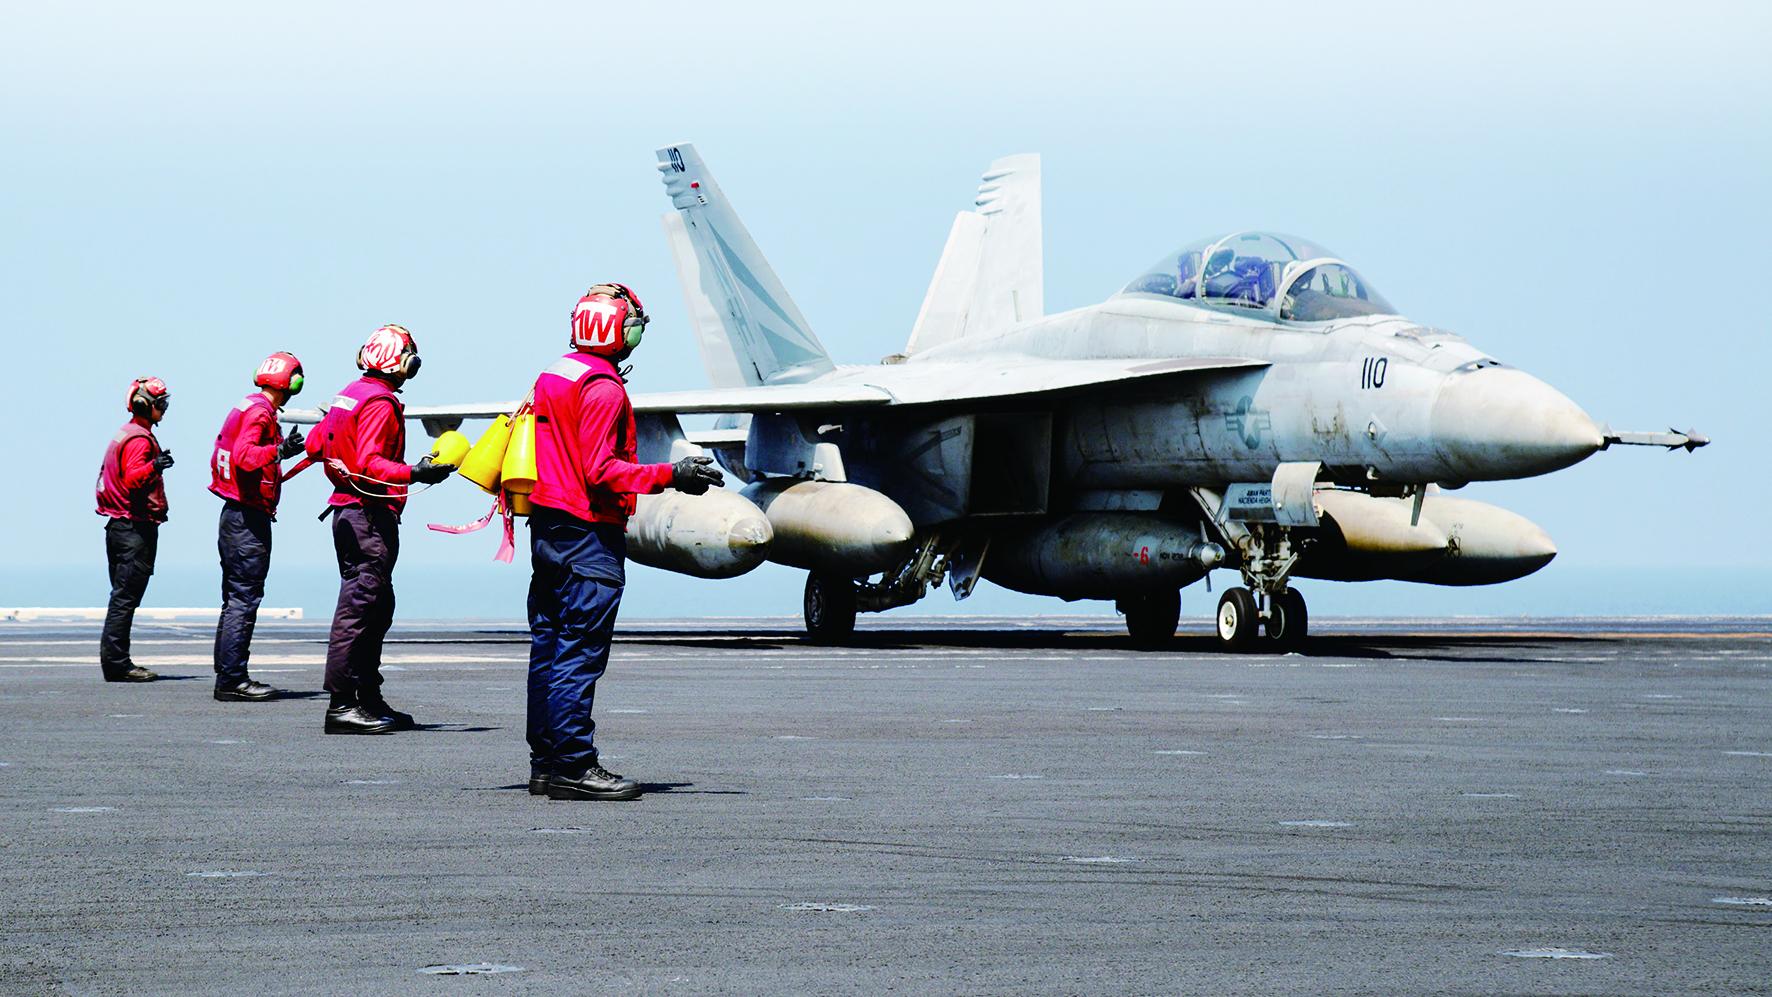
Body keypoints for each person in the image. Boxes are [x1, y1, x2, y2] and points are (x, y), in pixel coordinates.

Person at [526, 284, 724, 801]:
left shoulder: (554, 374)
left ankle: (546, 763)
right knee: (578, 651)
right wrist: (672, 474)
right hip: (587, 532)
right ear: (621, 331)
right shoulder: (604, 389)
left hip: (547, 529)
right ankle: (574, 766)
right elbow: (601, 470)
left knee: (549, 648)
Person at [314, 325, 454, 735]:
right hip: (368, 516)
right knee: (360, 610)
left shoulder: (349, 394)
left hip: (347, 513)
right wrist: (416, 472)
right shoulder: (380, 402)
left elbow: (316, 445)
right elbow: (370, 463)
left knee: (376, 608)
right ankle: (343, 705)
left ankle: (367, 698)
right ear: (405, 363)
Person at [207, 352, 308, 702]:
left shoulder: (247, 405)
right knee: (244, 598)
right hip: (247, 520)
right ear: (290, 383)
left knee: (233, 597)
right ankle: (232, 680)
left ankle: (227, 673)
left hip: (233, 515)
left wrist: (280, 450)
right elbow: (245, 456)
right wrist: (279, 450)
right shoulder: (261, 412)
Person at [95, 377, 174, 683]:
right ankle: (117, 664)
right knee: (125, 598)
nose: (164, 408)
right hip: (133, 529)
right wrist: (155, 466)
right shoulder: (139, 439)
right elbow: (132, 479)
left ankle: (116, 660)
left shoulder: (126, 433)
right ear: (145, 405)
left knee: (121, 596)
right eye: (160, 403)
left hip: (118, 527)